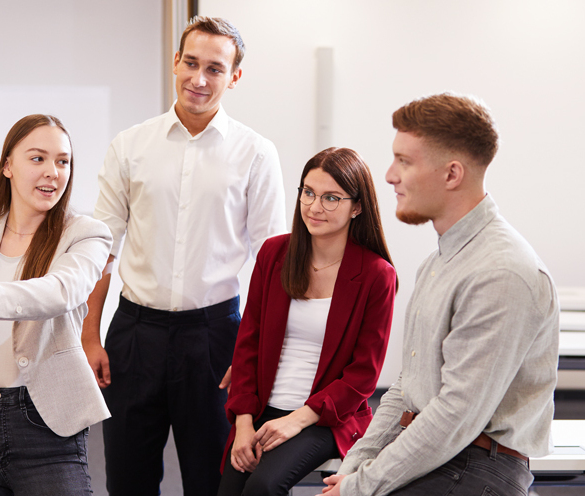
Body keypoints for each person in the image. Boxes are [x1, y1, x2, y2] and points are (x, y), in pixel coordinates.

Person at [83, 15, 287, 496]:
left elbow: (271, 266)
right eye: (190, 63)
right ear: (175, 61)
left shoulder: (256, 153)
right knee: (128, 481)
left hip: (216, 339)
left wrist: (253, 357)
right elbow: (101, 252)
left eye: (214, 69)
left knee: (214, 482)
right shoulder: (130, 146)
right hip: (134, 336)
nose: (199, 78)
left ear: (234, 76)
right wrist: (90, 335)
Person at [322, 93, 560, 496]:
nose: (389, 175)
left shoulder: (502, 272)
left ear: (451, 175)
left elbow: (454, 416)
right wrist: (357, 465)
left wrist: (361, 487)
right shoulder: (439, 261)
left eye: (405, 161)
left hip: (477, 469)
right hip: (442, 456)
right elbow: (407, 386)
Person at [0, 114, 111, 495]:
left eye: (63, 161)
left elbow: (60, 290)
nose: (52, 172)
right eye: (37, 158)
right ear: (8, 166)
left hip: (46, 424)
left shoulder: (87, 234)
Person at [218, 148, 396, 496]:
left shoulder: (377, 275)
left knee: (263, 486)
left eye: (331, 198)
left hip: (325, 417)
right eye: (308, 192)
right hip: (262, 408)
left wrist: (295, 420)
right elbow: (247, 345)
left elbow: (363, 375)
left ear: (357, 206)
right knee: (230, 488)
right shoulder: (275, 254)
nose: (315, 207)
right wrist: (242, 423)